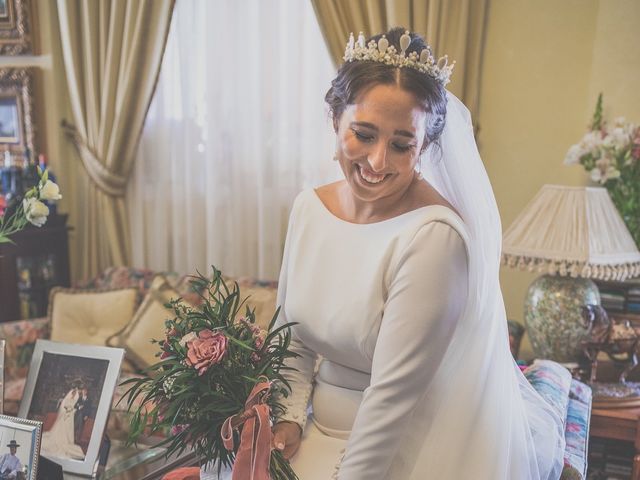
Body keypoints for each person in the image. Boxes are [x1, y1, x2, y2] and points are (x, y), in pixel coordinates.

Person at [266, 28, 566, 479]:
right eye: (363, 134)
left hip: (405, 449)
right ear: (335, 121)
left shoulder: (435, 238)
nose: (377, 162)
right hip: (314, 432)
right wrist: (287, 414)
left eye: (401, 144)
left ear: (424, 146)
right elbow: (292, 332)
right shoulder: (308, 209)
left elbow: (392, 398)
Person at [41, 384, 86, 460]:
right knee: (60, 429)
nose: (74, 394)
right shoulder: (67, 399)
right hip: (65, 415)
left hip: (70, 416)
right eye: (73, 393)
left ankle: (66, 440)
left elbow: (75, 407)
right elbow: (64, 406)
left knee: (67, 430)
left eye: (75, 393)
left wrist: (73, 410)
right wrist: (67, 410)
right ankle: (60, 440)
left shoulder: (77, 398)